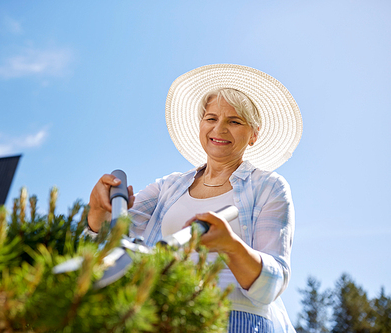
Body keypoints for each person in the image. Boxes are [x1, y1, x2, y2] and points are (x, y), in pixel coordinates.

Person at [86, 64, 302, 333]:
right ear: (201, 124)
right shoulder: (168, 186)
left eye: (234, 121)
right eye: (211, 118)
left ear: (254, 135)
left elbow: (272, 284)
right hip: (164, 318)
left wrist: (231, 246)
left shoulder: (269, 186)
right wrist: (97, 213)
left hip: (240, 321)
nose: (219, 129)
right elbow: (112, 248)